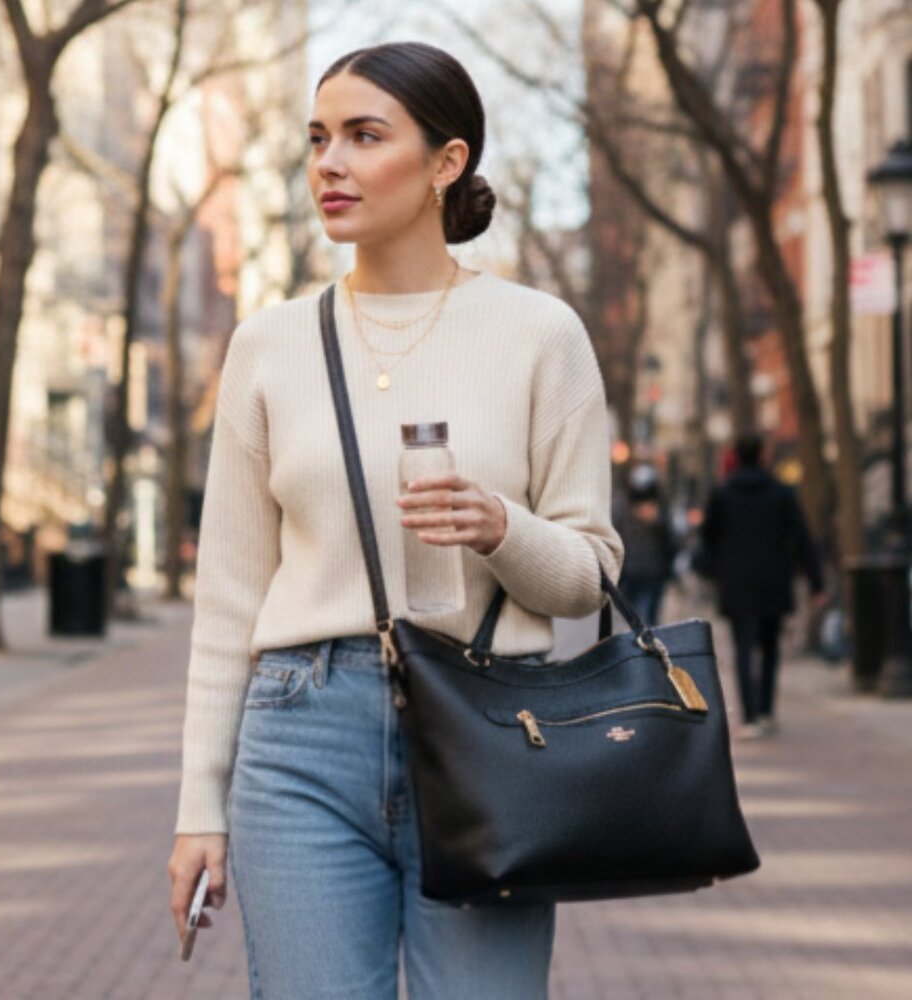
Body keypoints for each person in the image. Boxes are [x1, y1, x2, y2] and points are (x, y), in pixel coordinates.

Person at [167, 41, 623, 999]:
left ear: (446, 162)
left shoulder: (542, 334)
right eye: (318, 139)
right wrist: (196, 810)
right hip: (300, 734)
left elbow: (589, 575)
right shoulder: (268, 345)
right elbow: (229, 602)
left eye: (364, 137)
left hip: (490, 731)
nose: (329, 164)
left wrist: (501, 524)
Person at [699, 434, 824, 740]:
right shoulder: (781, 493)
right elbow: (801, 538)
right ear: (763, 456)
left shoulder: (722, 494)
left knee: (742, 647)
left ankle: (750, 716)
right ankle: (767, 711)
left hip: (736, 581)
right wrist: (815, 580)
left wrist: (714, 572)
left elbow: (706, 538)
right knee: (770, 647)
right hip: (773, 580)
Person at [615, 464, 677, 625]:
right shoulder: (622, 508)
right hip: (633, 573)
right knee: (636, 621)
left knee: (648, 620)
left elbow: (669, 540)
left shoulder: (659, 510)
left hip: (651, 574)